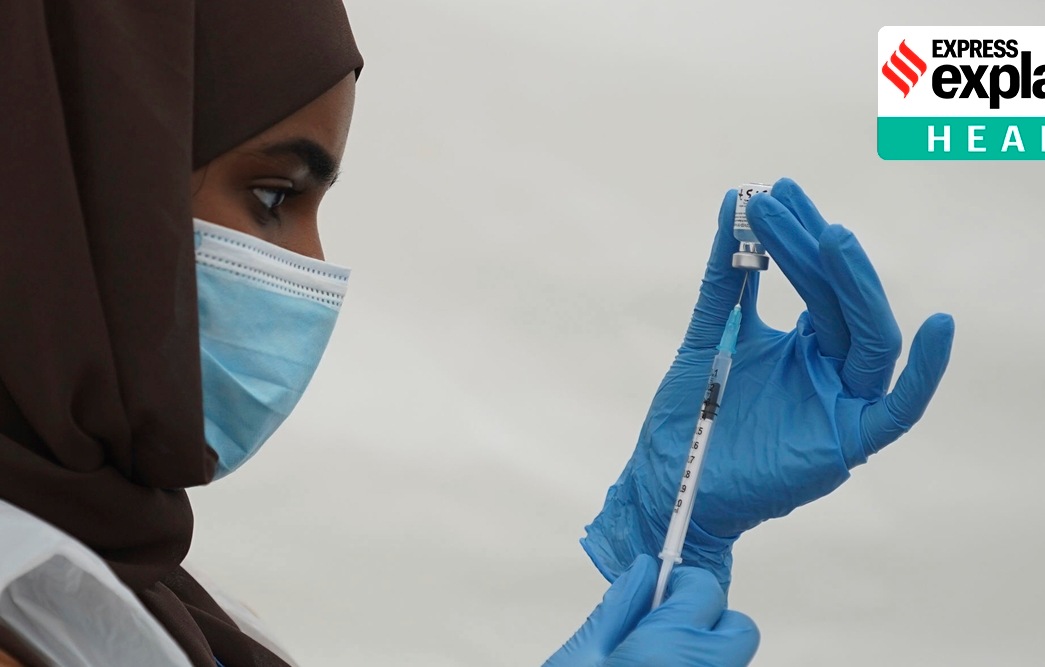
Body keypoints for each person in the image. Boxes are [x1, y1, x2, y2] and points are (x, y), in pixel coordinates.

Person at [0, 1, 953, 666]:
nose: (313, 267)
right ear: (77, 191)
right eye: (274, 196)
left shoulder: (120, 590)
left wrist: (673, 539)